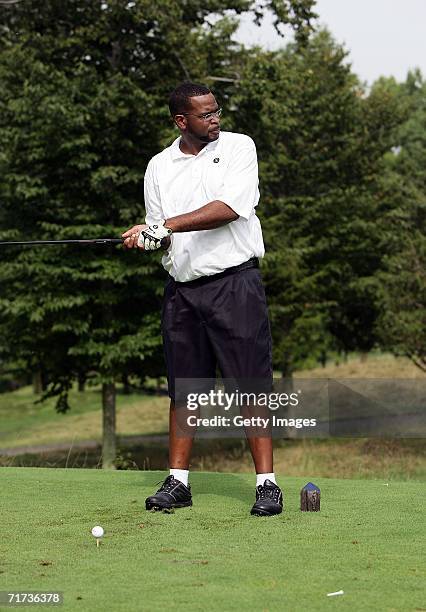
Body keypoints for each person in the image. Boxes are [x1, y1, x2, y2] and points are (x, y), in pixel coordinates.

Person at [122, 82, 283, 516]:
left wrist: (165, 226)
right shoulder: (158, 166)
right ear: (181, 121)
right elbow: (161, 232)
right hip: (183, 292)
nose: (215, 119)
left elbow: (231, 206)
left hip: (236, 285)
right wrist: (146, 235)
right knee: (185, 391)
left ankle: (267, 485)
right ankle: (178, 483)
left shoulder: (237, 147)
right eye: (205, 114)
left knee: (251, 386)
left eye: (216, 111)